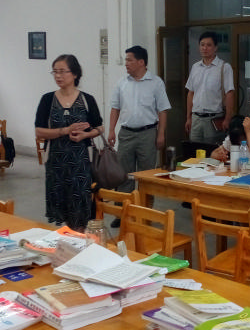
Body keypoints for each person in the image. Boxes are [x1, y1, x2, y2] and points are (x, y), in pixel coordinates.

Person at [35, 54, 103, 230]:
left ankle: (78, 239)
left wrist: (85, 136)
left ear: (75, 74)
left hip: (80, 163)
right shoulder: (47, 99)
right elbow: (39, 131)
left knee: (80, 208)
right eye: (55, 72)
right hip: (56, 163)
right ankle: (68, 239)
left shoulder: (87, 99)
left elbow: (100, 128)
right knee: (61, 206)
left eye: (62, 71)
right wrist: (64, 131)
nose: (58, 76)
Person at [108, 45, 171, 189]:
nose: (126, 63)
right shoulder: (122, 83)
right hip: (126, 134)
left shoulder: (156, 83)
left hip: (147, 134)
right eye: (126, 60)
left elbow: (163, 110)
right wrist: (111, 130)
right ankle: (124, 202)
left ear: (141, 62)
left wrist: (161, 134)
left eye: (129, 60)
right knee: (124, 174)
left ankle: (145, 203)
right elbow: (115, 108)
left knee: (147, 175)